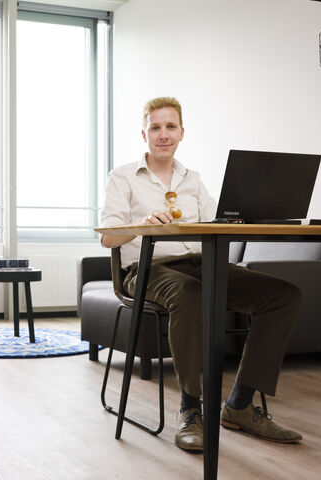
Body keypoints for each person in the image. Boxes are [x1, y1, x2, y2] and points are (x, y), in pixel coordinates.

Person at [99, 96, 303, 452]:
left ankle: (238, 405)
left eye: (171, 127)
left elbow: (216, 223)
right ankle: (191, 408)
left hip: (200, 264)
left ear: (182, 132)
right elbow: (108, 237)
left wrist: (246, 216)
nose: (164, 134)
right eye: (156, 127)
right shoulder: (122, 177)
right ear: (144, 133)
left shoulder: (192, 179)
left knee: (284, 296)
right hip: (147, 269)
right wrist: (143, 224)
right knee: (190, 294)